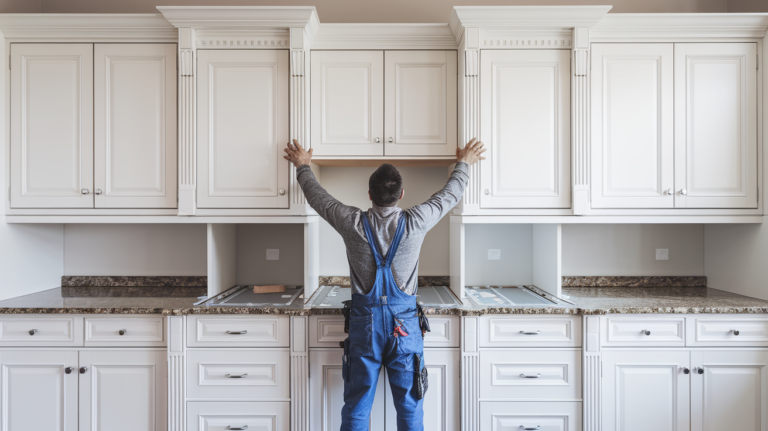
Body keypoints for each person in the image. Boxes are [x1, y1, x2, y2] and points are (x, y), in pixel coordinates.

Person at [283, 138, 486, 431]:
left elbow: (319, 198)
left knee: (357, 404)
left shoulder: (351, 221)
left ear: (369, 194)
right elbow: (450, 195)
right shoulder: (417, 221)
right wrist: (464, 162)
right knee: (409, 405)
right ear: (401, 194)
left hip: (364, 326)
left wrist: (302, 166)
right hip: (404, 326)